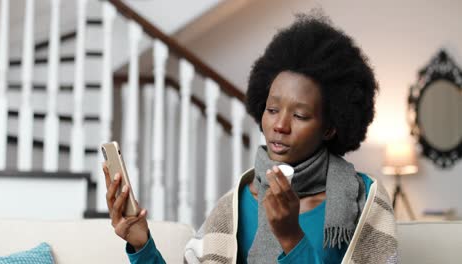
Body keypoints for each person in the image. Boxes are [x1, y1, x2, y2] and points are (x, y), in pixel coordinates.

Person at [103, 14, 398, 264]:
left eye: (300, 116)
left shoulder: (364, 199)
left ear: (330, 127)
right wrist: (141, 245)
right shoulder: (234, 205)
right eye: (272, 110)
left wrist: (291, 238)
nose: (279, 125)